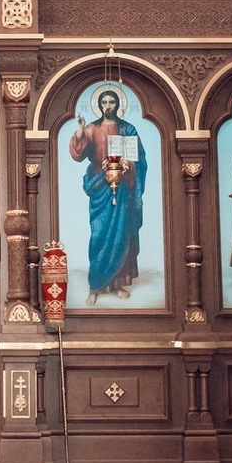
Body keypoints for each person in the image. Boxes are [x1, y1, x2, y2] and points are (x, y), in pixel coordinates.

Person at [68, 87, 147, 303]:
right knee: (99, 235)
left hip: (122, 186)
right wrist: (79, 132)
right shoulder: (92, 129)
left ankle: (118, 283)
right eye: (105, 103)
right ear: (100, 105)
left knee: (122, 233)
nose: (108, 106)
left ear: (117, 105)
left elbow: (139, 157)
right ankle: (96, 285)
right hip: (99, 185)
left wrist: (127, 163)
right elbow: (78, 154)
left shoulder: (128, 129)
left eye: (112, 102)